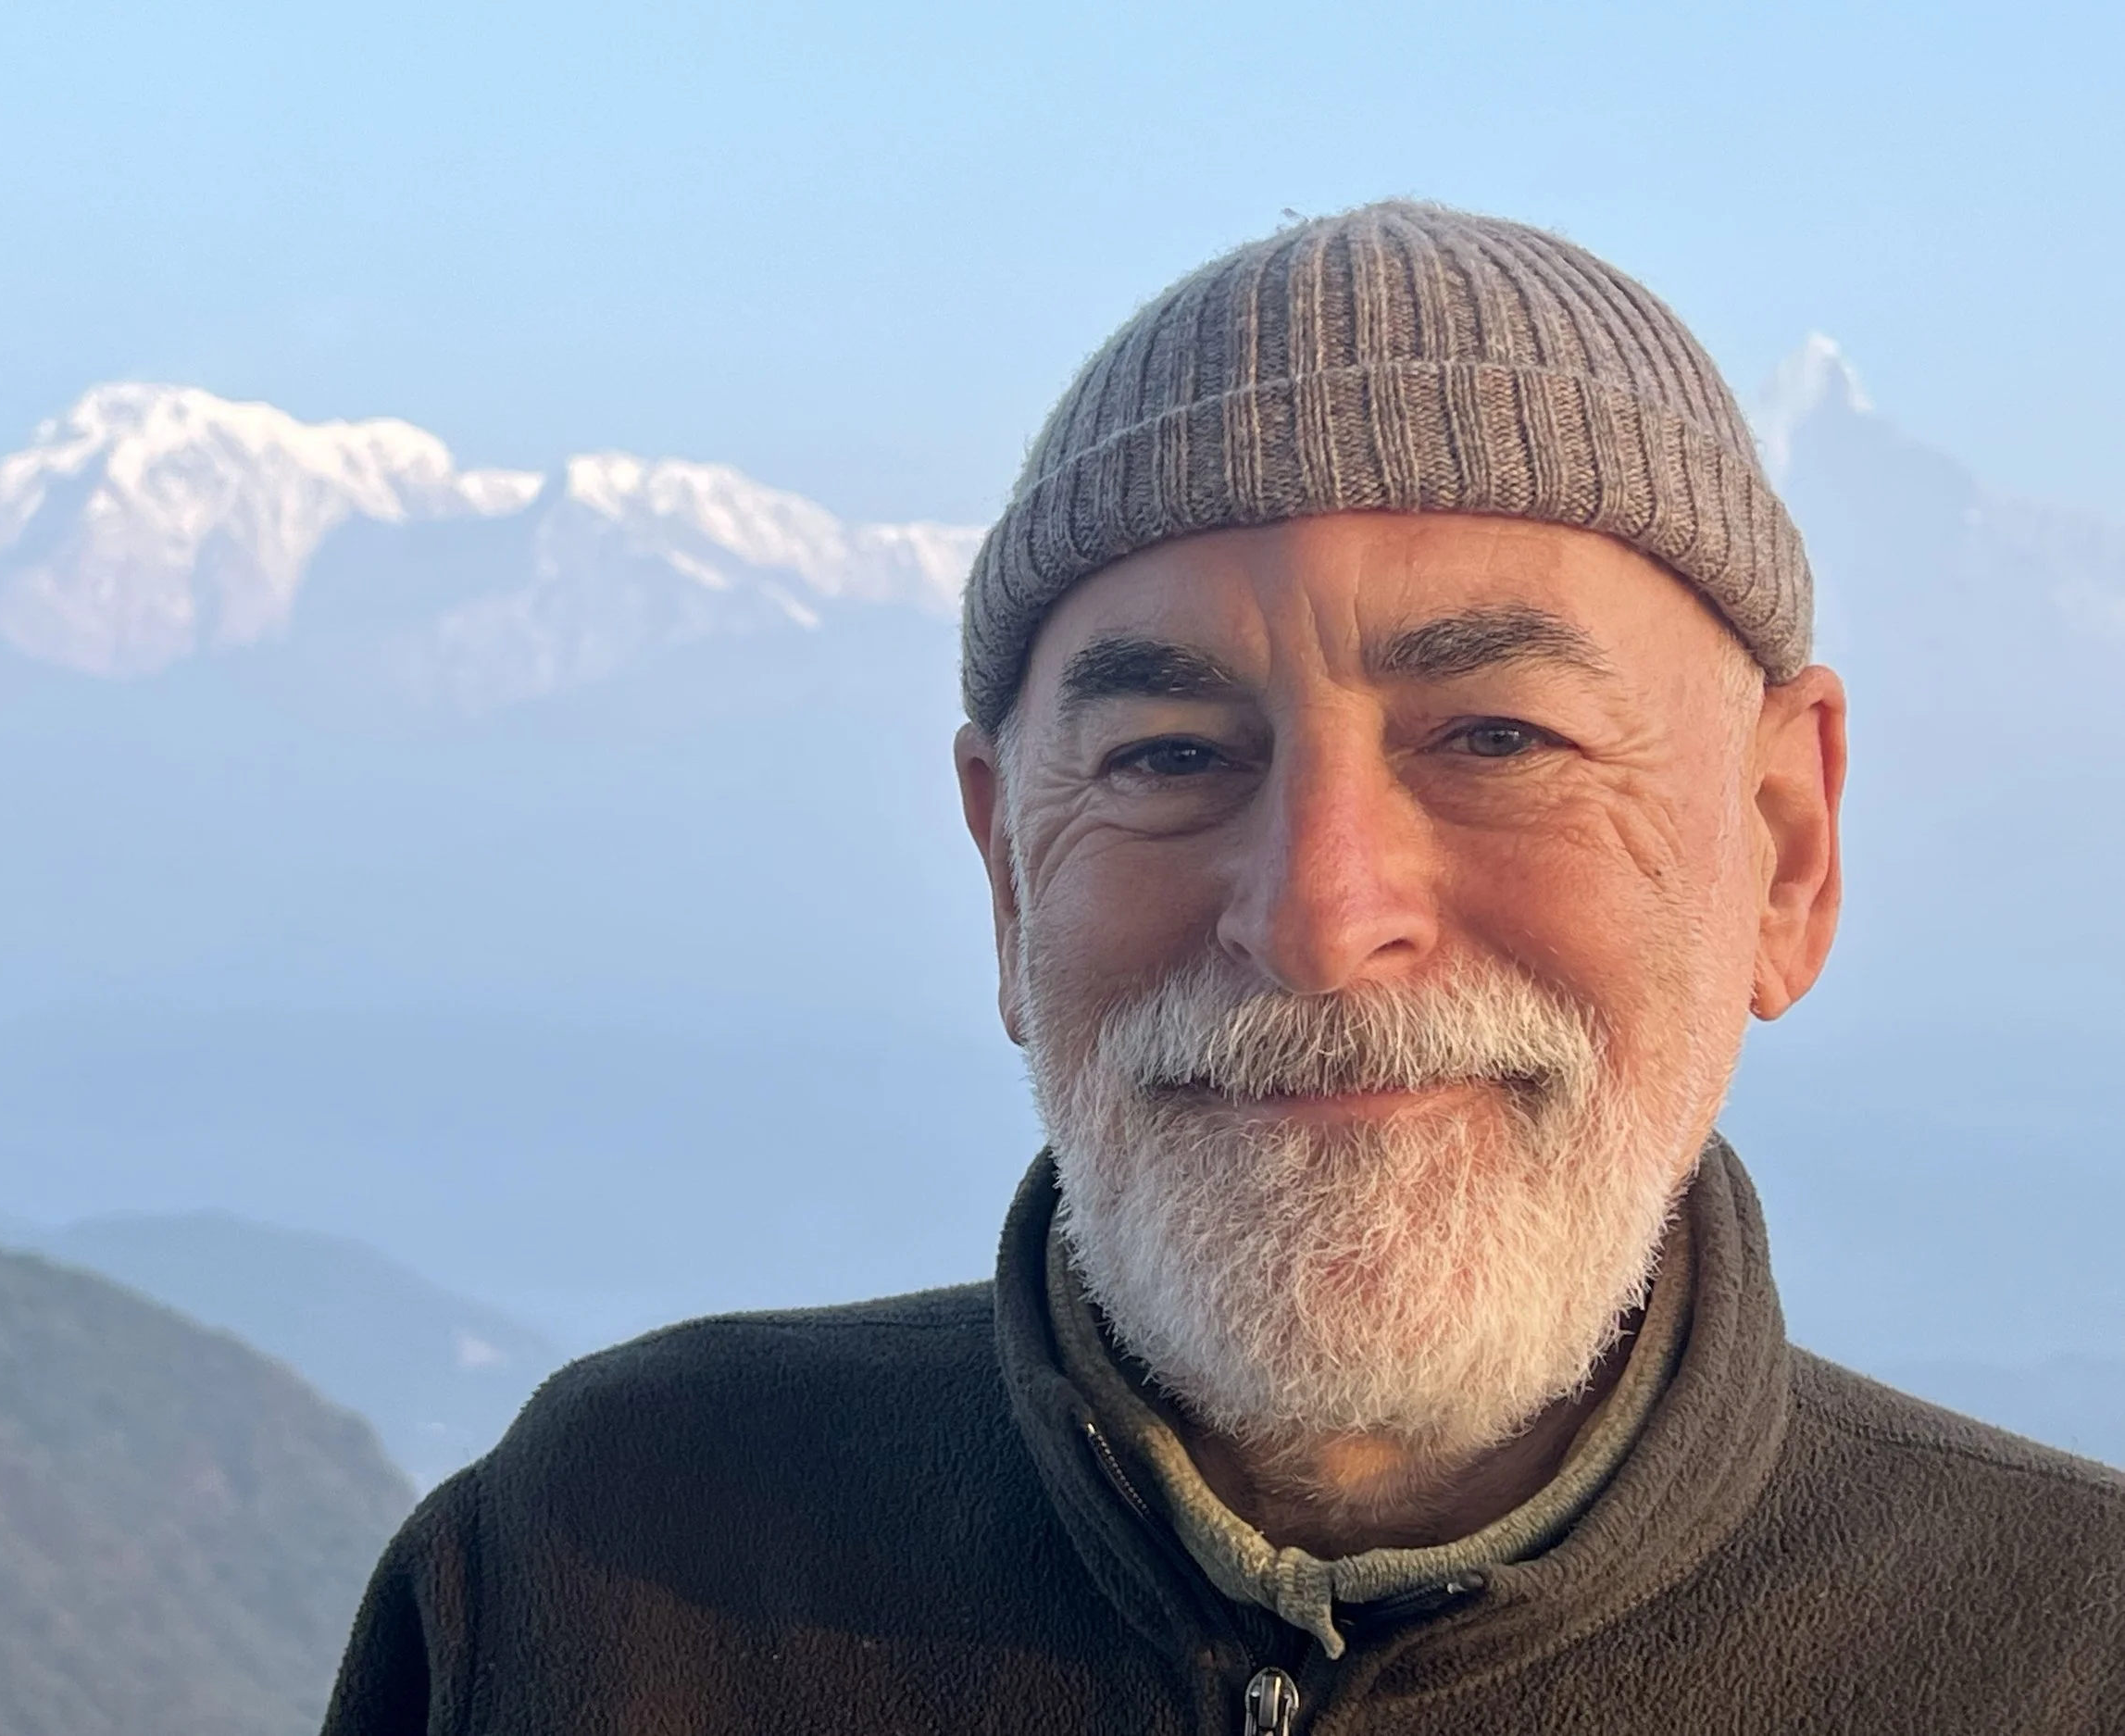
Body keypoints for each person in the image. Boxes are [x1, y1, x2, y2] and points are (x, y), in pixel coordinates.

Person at [320, 203, 2125, 1735]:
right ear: (1005, 882)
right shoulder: (603, 1577)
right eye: (1166, 756)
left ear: (1781, 849)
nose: (1319, 916)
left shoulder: (2065, 1652)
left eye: (1494, 736)